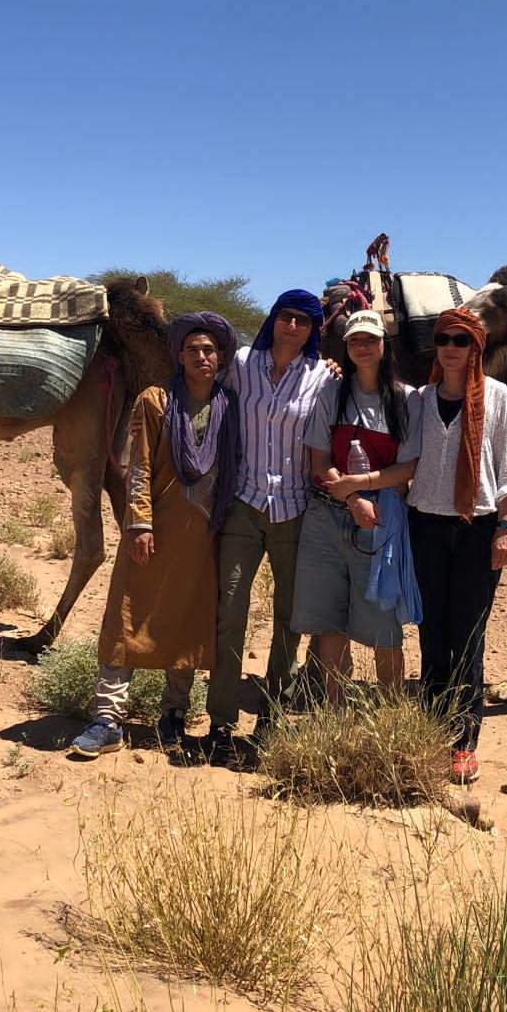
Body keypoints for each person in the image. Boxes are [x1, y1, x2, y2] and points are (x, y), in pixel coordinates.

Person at [69, 312, 240, 759]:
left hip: (202, 534)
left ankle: (174, 714)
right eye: (192, 349)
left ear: (220, 356)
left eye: (209, 350)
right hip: (154, 530)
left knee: (187, 622)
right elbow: (139, 464)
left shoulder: (230, 404)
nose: (201, 356)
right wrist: (139, 522)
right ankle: (108, 718)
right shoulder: (156, 400)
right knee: (127, 615)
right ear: (179, 356)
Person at [205, 288, 335, 765]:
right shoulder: (240, 362)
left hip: (297, 511)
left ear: (313, 330)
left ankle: (271, 720)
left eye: (304, 320)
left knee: (289, 623)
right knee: (229, 613)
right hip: (243, 503)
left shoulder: (322, 377)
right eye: (286, 317)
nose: (293, 326)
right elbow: (198, 385)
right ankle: (220, 722)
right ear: (273, 320)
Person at [405, 307, 507, 785]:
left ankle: (465, 742)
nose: (451, 347)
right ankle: (433, 730)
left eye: (461, 340)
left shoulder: (498, 397)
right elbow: (408, 459)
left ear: (477, 347)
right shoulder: (419, 400)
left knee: (469, 636)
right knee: (432, 633)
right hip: (425, 523)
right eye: (444, 339)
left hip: (478, 525)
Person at [292, 309, 422, 703]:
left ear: (384, 344)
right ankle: (334, 708)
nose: (362, 347)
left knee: (382, 619)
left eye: (370, 340)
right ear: (346, 347)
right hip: (328, 512)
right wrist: (351, 498)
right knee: (329, 617)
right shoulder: (331, 393)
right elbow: (318, 461)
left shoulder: (406, 399)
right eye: (354, 341)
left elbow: (409, 466)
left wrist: (363, 488)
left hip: (380, 519)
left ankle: (390, 710)